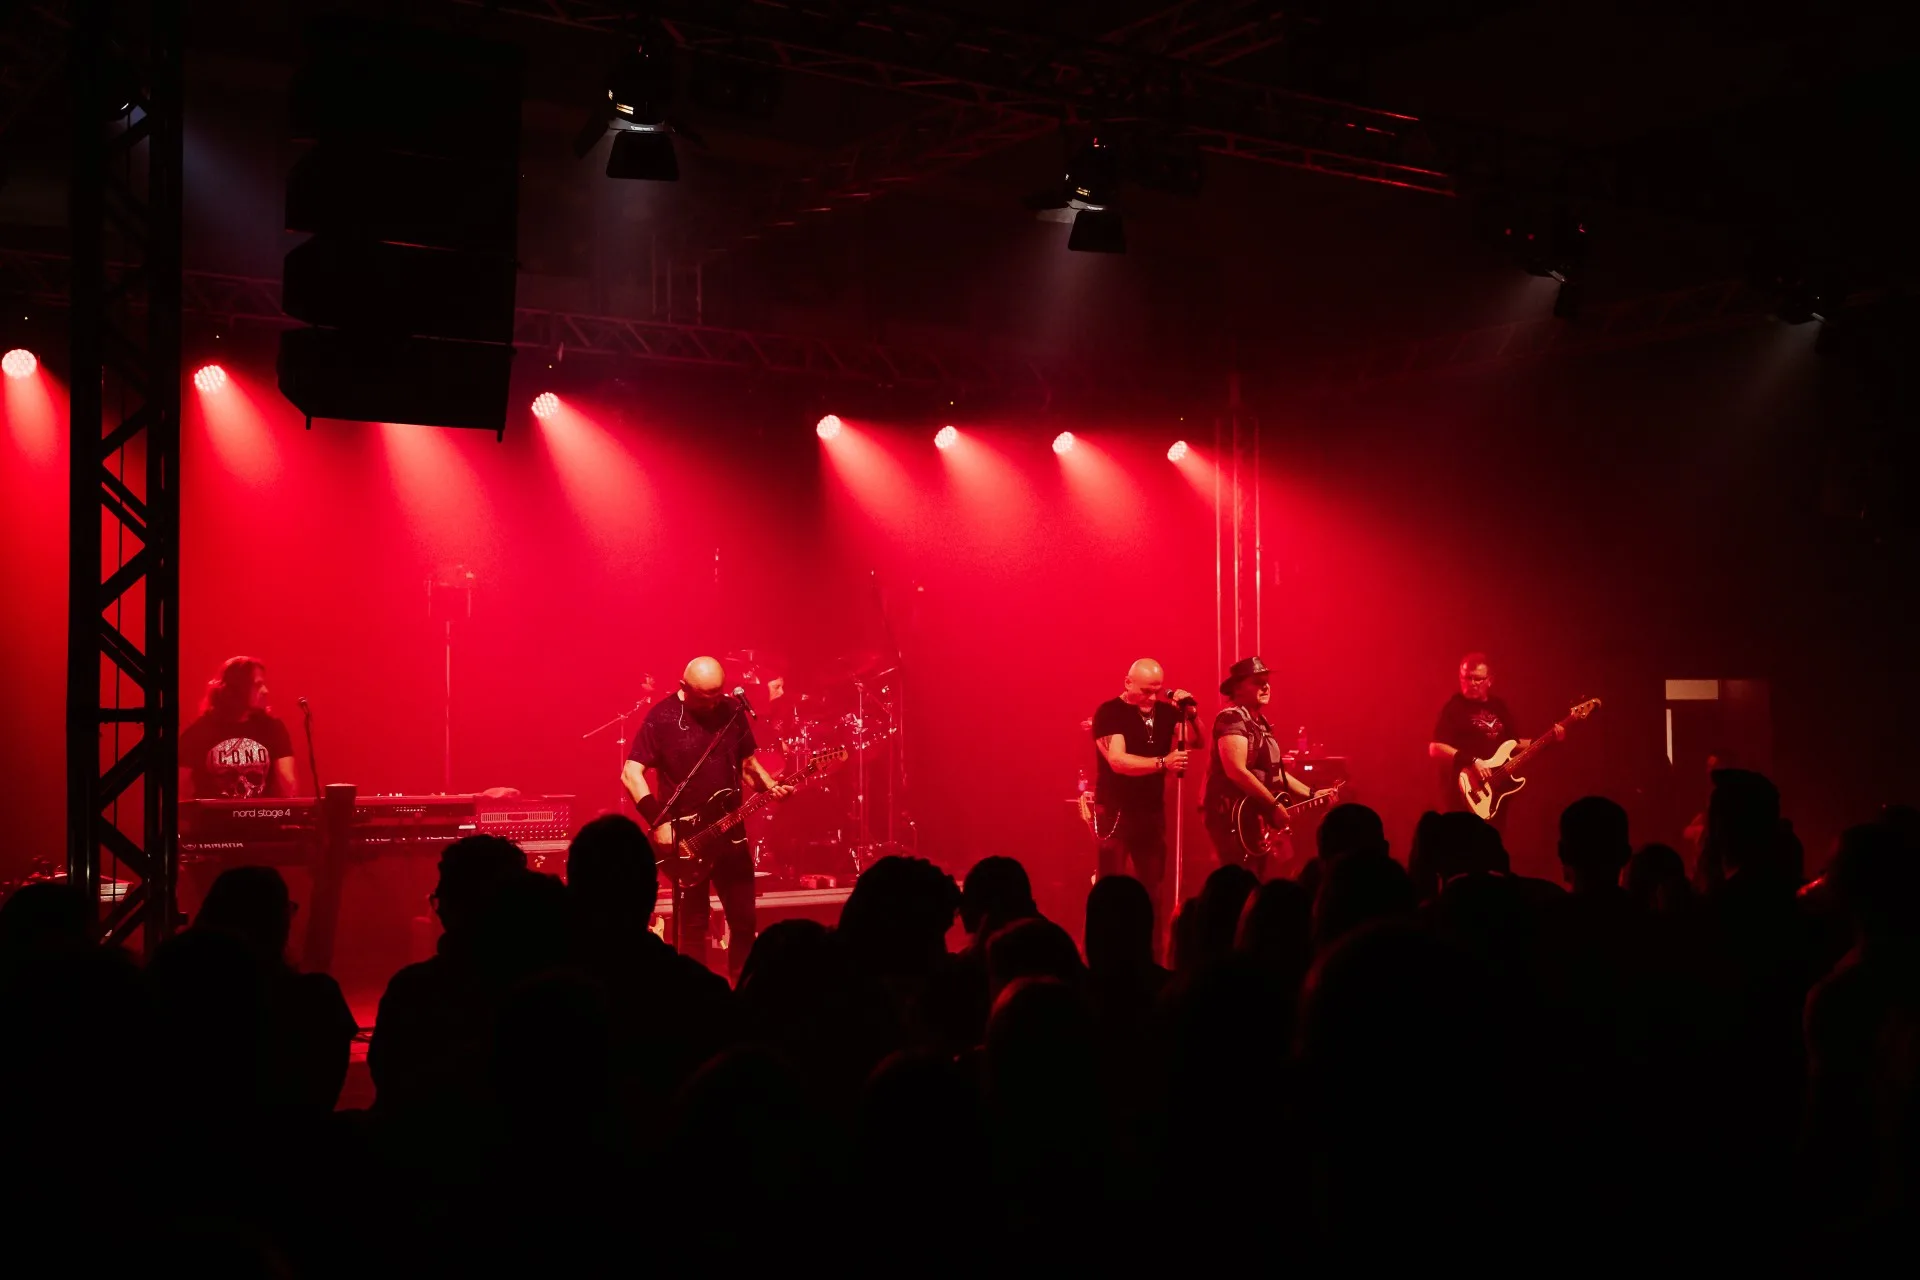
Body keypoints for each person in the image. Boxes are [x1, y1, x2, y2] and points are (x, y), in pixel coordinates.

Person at [621, 655, 792, 982]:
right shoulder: (663, 716)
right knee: (692, 928)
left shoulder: (732, 711)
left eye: (717, 695)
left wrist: (771, 786)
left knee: (744, 922)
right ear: (683, 687)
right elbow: (631, 773)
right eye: (704, 698)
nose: (713, 704)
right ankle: (694, 998)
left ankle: (743, 990)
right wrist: (659, 821)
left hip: (731, 834)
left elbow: (748, 767)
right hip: (688, 839)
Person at [1088, 658, 1196, 955]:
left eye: (1157, 691)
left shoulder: (1166, 712)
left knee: (1153, 890)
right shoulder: (1110, 712)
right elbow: (1117, 760)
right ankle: (1103, 953)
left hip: (1150, 813)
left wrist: (1191, 714)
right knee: (1110, 888)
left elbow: (1196, 740)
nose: (1152, 697)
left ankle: (1152, 953)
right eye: (1146, 691)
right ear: (1128, 683)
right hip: (1115, 811)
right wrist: (1163, 763)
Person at [1204, 656, 1330, 877]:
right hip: (1233, 817)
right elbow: (1236, 771)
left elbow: (1276, 774)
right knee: (1239, 878)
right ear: (1238, 688)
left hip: (1257, 815)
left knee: (1264, 876)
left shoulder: (1260, 723)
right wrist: (1272, 805)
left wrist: (1312, 794)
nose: (1265, 687)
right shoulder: (1231, 718)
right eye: (1257, 682)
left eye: (1266, 681)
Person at [1427, 652, 1557, 822]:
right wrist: (1473, 761)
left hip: (1495, 791)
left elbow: (1513, 743)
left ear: (1490, 680)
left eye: (1478, 679)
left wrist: (1548, 739)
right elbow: (1435, 748)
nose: (1472, 683)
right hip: (1465, 793)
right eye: (1467, 678)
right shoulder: (1454, 707)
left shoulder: (1498, 706)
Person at [178, 656, 297, 799]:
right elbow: (180, 789)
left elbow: (287, 786)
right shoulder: (198, 733)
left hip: (262, 814)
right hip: (215, 814)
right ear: (237, 688)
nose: (265, 691)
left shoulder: (273, 728)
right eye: (257, 685)